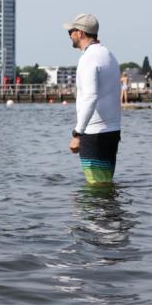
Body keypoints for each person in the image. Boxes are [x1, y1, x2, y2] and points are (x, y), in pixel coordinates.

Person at [64, 14, 122, 186]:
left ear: (80, 33)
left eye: (71, 31)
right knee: (105, 184)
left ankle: (93, 214)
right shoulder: (108, 55)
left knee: (96, 186)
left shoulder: (88, 58)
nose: (70, 35)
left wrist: (77, 133)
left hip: (94, 132)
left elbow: (90, 97)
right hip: (112, 131)